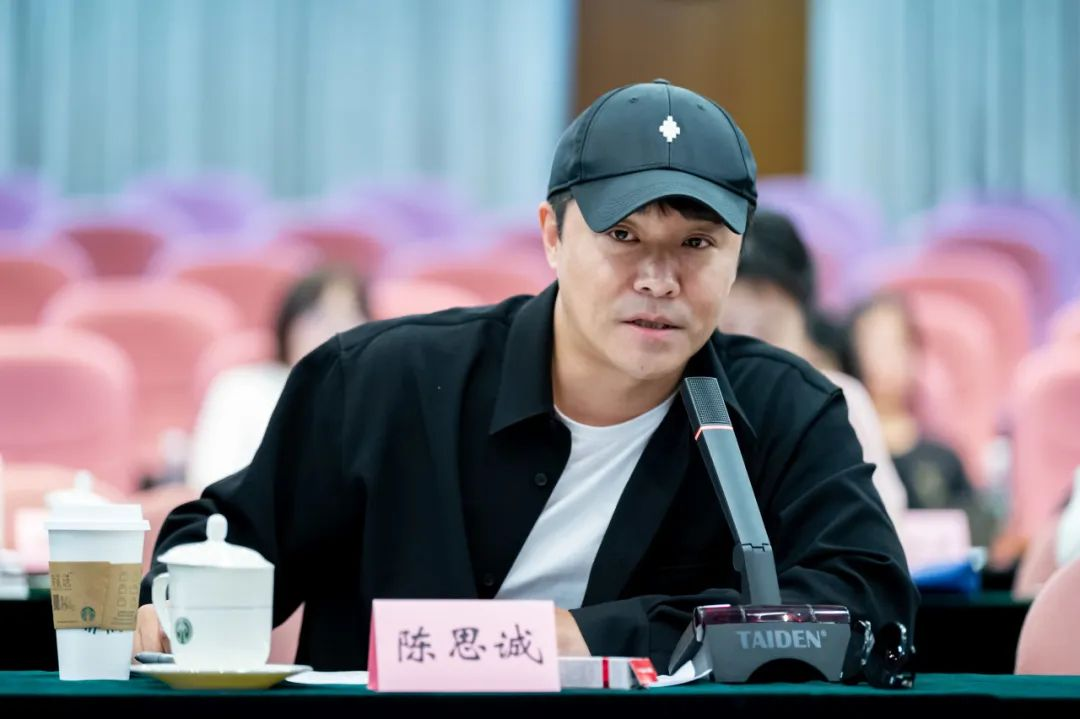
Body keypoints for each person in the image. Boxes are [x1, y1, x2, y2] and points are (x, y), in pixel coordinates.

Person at [136, 80, 917, 673]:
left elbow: (872, 608)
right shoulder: (379, 383)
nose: (658, 278)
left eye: (697, 243)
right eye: (623, 235)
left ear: (738, 254)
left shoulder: (787, 410)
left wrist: (580, 636)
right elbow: (224, 544)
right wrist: (171, 606)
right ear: (551, 234)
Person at [718, 210, 909, 528]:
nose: (750, 348)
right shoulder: (692, 405)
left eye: (768, 329)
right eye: (729, 329)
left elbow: (883, 529)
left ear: (805, 328)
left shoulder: (839, 401)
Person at [185, 266, 370, 491]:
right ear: (288, 326)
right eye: (319, 317)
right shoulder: (239, 389)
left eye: (349, 316)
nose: (335, 331)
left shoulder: (377, 398)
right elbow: (208, 481)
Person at [847, 293, 996, 546]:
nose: (886, 358)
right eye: (873, 345)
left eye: (897, 343)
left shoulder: (943, 457)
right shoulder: (848, 454)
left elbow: (977, 532)